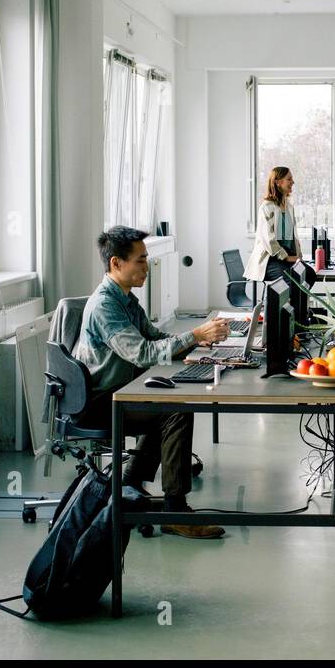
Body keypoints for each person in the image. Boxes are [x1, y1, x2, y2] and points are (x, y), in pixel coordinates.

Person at [75, 226, 229, 539]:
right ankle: (174, 511)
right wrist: (195, 335)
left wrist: (197, 338)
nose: (147, 266)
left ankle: (131, 480)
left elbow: (156, 338)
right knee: (175, 410)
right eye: (141, 260)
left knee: (167, 406)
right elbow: (144, 353)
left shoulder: (126, 300)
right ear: (117, 263)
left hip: (120, 391)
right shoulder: (106, 306)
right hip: (99, 401)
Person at [245, 166, 303, 284]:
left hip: (287, 256)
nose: (293, 182)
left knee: (310, 275)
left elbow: (292, 237)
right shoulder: (266, 207)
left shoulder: (289, 207)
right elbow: (268, 239)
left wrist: (298, 256)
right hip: (270, 259)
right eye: (289, 179)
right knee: (293, 279)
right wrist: (286, 257)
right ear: (278, 182)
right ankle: (284, 302)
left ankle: (295, 302)